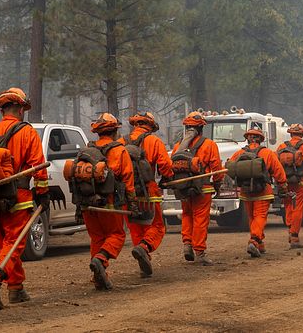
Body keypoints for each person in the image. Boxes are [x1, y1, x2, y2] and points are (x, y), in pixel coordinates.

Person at [0, 88, 50, 309]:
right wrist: (43, 192)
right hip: (19, 197)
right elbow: (38, 165)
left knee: (7, 242)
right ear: (19, 109)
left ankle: (16, 289)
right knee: (15, 243)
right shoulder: (26, 132)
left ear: (2, 110)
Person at [83, 113, 135, 291]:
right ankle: (101, 260)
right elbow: (128, 178)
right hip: (109, 202)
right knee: (117, 235)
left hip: (88, 203)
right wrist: (132, 202)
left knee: (97, 237)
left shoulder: (87, 149)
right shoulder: (119, 150)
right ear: (114, 132)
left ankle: (99, 277)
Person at [169, 112, 224, 265]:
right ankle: (199, 251)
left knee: (187, 215)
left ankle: (187, 244)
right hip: (203, 188)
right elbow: (216, 167)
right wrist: (218, 184)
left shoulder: (177, 147)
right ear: (200, 129)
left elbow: (171, 166)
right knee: (200, 218)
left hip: (183, 187)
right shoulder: (209, 144)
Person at [124, 112, 174, 278]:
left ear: (135, 124)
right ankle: (144, 248)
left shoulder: (121, 142)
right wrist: (167, 179)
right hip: (148, 192)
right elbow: (165, 164)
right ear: (150, 126)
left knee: (136, 227)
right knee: (157, 226)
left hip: (127, 193)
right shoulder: (153, 141)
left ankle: (142, 258)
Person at [227, 127, 287, 257]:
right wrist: (283, 186)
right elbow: (278, 171)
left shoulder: (239, 153)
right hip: (263, 191)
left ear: (247, 138)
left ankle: (260, 244)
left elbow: (228, 168)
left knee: (252, 218)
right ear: (261, 139)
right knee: (260, 217)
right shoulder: (268, 153)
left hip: (246, 192)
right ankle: (254, 241)